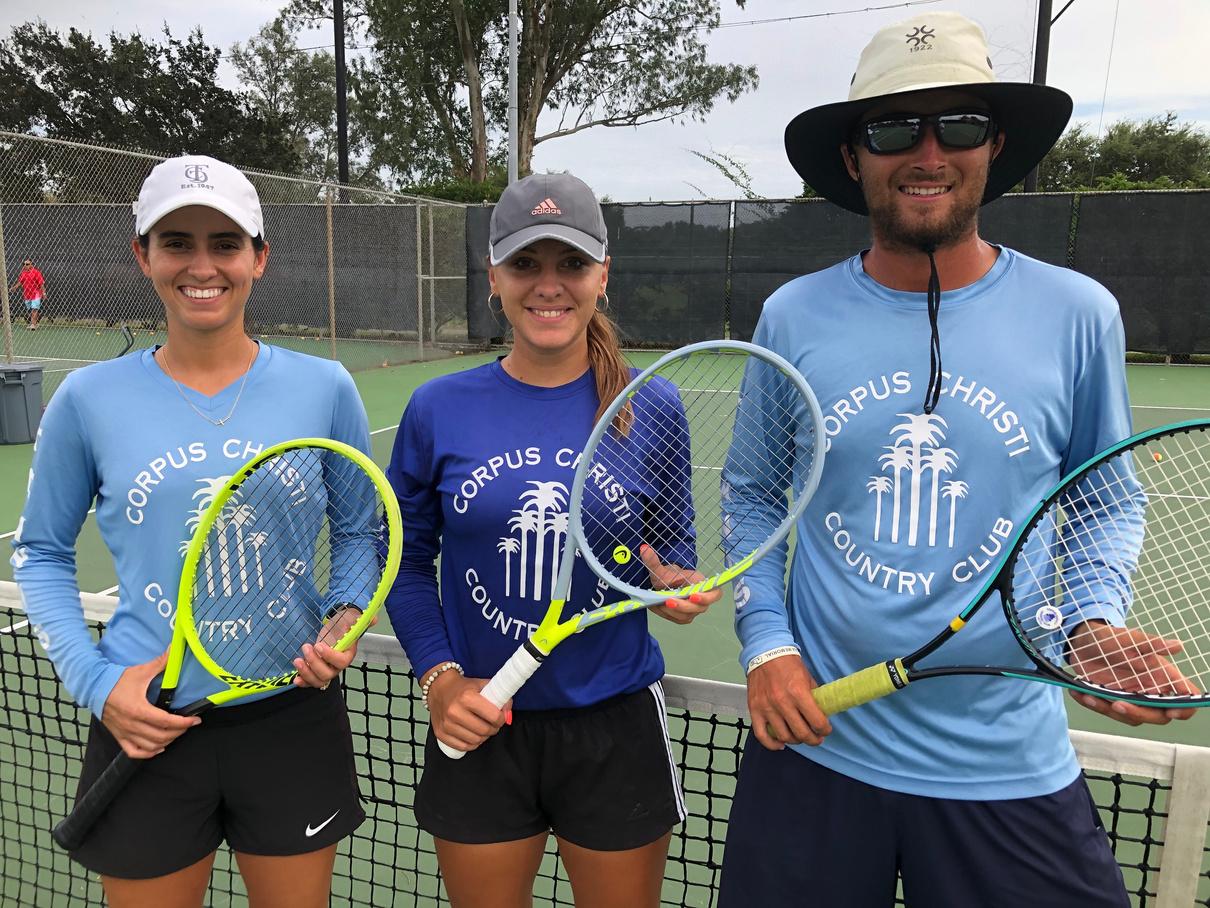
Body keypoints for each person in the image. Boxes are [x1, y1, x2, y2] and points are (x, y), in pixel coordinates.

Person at [716, 12, 1197, 908]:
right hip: (817, 745)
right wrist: (767, 645)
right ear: (854, 156)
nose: (928, 153)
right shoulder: (793, 316)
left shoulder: (1078, 313)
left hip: (1007, 765)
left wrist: (1089, 622)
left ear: (994, 145)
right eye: (894, 129)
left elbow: (1105, 499)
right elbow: (752, 494)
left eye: (960, 125)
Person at [11, 155, 371, 908]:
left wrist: (345, 617)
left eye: (225, 244)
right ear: (143, 255)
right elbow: (40, 553)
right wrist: (97, 684)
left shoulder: (325, 387)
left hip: (289, 715)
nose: (202, 266)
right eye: (177, 243)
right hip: (146, 718)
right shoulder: (86, 399)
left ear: (258, 258)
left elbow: (359, 530)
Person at [385, 171, 721, 908]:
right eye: (525, 263)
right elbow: (404, 566)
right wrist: (441, 680)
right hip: (481, 719)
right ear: (494, 277)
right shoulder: (437, 408)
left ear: (602, 275)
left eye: (571, 263)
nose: (548, 284)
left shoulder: (652, 405)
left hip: (615, 725)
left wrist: (674, 588)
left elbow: (671, 557)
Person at [10, 257, 46, 329]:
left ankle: (33, 325)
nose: (25, 265)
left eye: (27, 264)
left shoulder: (36, 272)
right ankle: (35, 323)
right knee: (31, 309)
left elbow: (41, 284)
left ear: (31, 264)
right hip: (27, 295)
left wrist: (44, 293)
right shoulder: (23, 273)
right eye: (24, 264)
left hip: (36, 294)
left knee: (34, 309)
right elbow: (20, 282)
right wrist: (14, 288)